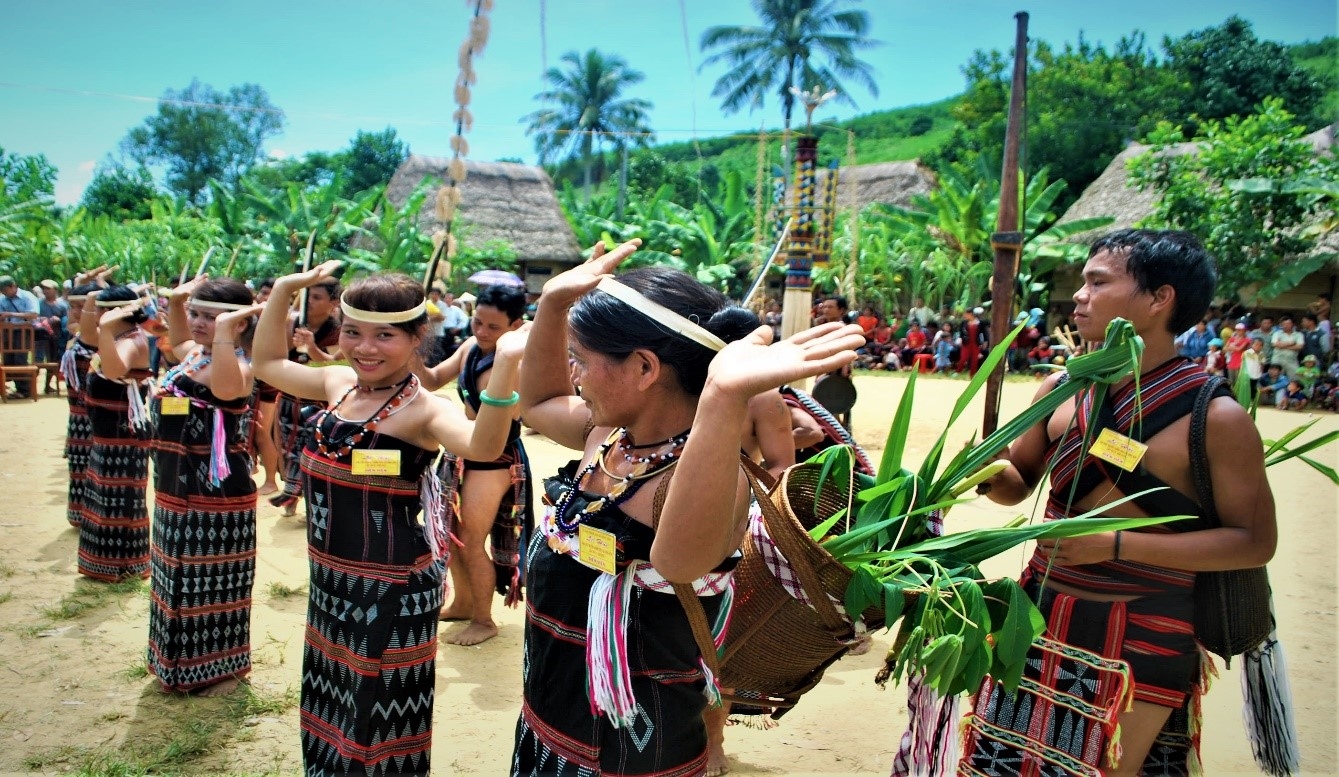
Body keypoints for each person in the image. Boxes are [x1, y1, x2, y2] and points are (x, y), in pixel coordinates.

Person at [512, 239, 863, 777]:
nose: (573, 376)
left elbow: (678, 563)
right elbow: (535, 403)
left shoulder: (704, 478)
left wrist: (725, 398)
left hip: (634, 753)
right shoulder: (605, 436)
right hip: (549, 719)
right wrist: (555, 303)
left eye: (580, 361)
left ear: (645, 367)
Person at [965, 229, 1276, 775]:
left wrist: (1114, 543)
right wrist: (984, 471)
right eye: (1083, 282)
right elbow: (1019, 481)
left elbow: (1254, 542)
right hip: (1037, 615)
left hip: (1141, 630)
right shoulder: (1063, 388)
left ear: (1160, 299)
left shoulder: (1214, 416)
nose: (1079, 296)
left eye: (1098, 282)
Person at [251, 262, 522, 776]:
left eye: (385, 336)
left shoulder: (424, 409)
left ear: (419, 336)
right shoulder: (338, 385)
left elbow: (485, 445)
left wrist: (504, 365)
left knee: (378, 717)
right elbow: (266, 362)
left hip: (393, 587)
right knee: (333, 700)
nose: (365, 348)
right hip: (332, 581)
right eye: (353, 332)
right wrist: (286, 291)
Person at [147, 276, 259, 696]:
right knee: (171, 577)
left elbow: (227, 389)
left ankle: (216, 669)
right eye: (196, 313)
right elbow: (177, 337)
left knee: (209, 581)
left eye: (211, 318)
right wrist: (178, 302)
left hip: (216, 493)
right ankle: (174, 665)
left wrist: (228, 331)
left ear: (238, 325)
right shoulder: (195, 355)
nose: (197, 322)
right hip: (176, 484)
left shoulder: (237, 367)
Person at [420, 284, 530, 646]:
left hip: (494, 460)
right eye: (477, 322)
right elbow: (431, 379)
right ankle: (464, 603)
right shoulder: (470, 347)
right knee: (450, 531)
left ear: (515, 325)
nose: (481, 331)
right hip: (462, 450)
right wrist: (410, 347)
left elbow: (513, 417)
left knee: (471, 539)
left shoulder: (514, 364)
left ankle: (484, 620)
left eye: (492, 327)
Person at [77, 285, 154, 581]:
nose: (93, 314)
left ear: (111, 315)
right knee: (106, 497)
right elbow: (86, 332)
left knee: (118, 500)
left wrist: (106, 331)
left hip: (122, 439)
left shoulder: (130, 341)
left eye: (98, 309)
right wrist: (97, 314)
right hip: (109, 437)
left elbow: (112, 371)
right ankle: (107, 564)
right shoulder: (121, 336)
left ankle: (122, 566)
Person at [270, 276, 342, 515]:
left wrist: (311, 347)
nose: (310, 302)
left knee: (316, 449)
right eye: (308, 296)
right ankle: (290, 496)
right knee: (289, 448)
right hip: (290, 395)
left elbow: (334, 364)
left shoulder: (337, 329)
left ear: (332, 302)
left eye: (317, 297)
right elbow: (275, 355)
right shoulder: (292, 321)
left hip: (321, 400)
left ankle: (312, 501)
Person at [60, 283, 101, 528]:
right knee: (78, 466)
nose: (77, 311)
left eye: (83, 306)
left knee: (92, 469)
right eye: (73, 306)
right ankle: (79, 514)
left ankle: (91, 517)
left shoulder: (101, 336)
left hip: (95, 416)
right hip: (77, 414)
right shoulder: (77, 333)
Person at [250, 279, 282, 496]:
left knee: (262, 432)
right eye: (264, 293)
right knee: (250, 431)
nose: (266, 299)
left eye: (273, 295)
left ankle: (271, 480)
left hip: (269, 384)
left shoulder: (283, 321)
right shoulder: (249, 320)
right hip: (249, 381)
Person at [0, 274, 40, 398]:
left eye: (5, 290)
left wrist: (11, 314)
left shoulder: (27, 297)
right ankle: (15, 389)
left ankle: (24, 391)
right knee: (8, 360)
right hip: (7, 332)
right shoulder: (2, 299)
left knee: (20, 359)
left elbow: (34, 314)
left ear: (13, 286)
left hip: (24, 331)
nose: (3, 293)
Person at [35, 279, 69, 393]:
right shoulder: (38, 304)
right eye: (44, 288)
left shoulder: (62, 306)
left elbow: (66, 322)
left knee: (54, 360)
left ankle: (47, 385)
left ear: (55, 290)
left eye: (48, 288)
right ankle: (31, 388)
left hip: (56, 338)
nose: (45, 291)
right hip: (39, 337)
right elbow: (33, 318)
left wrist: (58, 321)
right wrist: (44, 320)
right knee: (37, 360)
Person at [957, 306, 989, 375]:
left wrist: (985, 342)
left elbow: (984, 333)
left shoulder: (980, 323)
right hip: (966, 343)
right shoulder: (964, 322)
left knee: (975, 359)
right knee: (963, 358)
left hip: (976, 343)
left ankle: (972, 373)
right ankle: (958, 371)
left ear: (971, 314)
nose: (965, 315)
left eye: (967, 314)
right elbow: (961, 332)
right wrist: (960, 339)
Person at [1224, 321, 1251, 387]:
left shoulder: (1247, 339)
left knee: (1239, 381)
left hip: (1241, 361)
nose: (1238, 331)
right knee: (1231, 381)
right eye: (1237, 330)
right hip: (1232, 361)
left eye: (1240, 330)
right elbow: (1224, 348)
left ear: (1244, 331)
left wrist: (1232, 347)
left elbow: (1240, 349)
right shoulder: (1232, 339)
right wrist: (1234, 347)